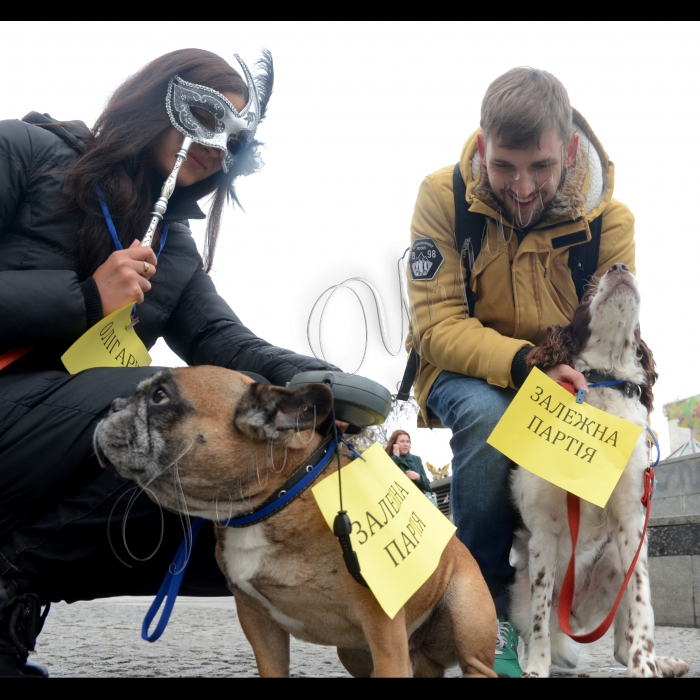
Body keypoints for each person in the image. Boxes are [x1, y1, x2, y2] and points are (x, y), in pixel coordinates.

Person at [0, 49, 337, 678]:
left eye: (238, 136)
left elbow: (221, 339)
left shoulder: (173, 248)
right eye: (208, 116)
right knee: (166, 410)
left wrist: (318, 384)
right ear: (159, 97)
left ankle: (14, 587)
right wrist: (83, 301)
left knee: (240, 480)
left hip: (70, 437)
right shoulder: (24, 150)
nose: (218, 144)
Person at [403, 68, 635, 677]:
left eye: (541, 167)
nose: (523, 187)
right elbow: (436, 324)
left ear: (571, 152)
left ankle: (552, 618)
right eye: (504, 166)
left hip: (567, 379)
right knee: (487, 415)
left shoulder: (612, 222)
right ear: (482, 148)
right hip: (464, 366)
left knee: (592, 463)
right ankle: (481, 607)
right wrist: (528, 362)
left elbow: (612, 334)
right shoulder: (442, 198)